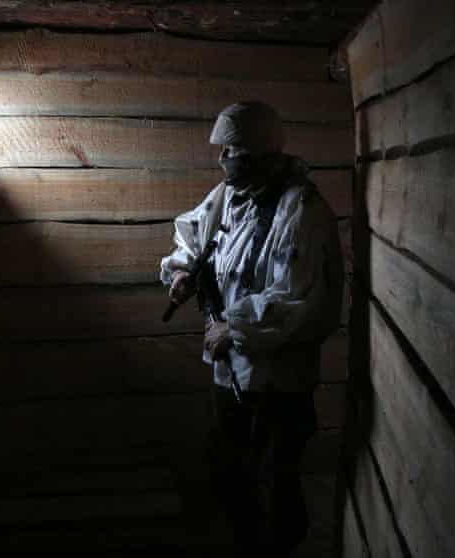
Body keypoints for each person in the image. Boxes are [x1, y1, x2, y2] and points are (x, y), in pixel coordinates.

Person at [159, 101, 344, 557]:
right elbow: (193, 235)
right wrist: (182, 272)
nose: (222, 159)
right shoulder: (228, 196)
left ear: (262, 154)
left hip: (280, 378)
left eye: (232, 151)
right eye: (223, 150)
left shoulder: (299, 210)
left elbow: (296, 299)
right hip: (231, 370)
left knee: (279, 478)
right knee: (230, 468)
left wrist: (234, 330)